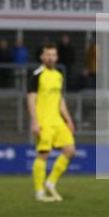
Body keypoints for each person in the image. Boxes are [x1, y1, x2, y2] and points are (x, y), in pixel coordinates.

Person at [27, 44, 76, 202]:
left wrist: (68, 119)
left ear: (57, 57)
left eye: (53, 55)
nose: (50, 57)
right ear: (42, 57)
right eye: (47, 54)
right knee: (43, 155)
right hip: (44, 121)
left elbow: (60, 100)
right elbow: (31, 99)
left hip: (58, 121)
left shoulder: (58, 75)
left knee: (70, 150)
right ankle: (39, 192)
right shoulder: (37, 74)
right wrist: (34, 121)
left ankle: (51, 182)